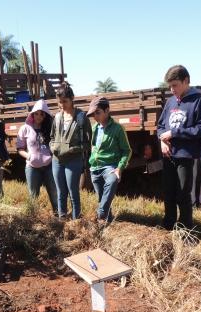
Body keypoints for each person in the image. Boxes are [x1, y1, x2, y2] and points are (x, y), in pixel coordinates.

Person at [157, 65, 201, 230]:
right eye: (170, 86)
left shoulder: (197, 100)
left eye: (175, 85)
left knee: (183, 193)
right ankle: (168, 225)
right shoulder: (171, 101)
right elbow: (161, 126)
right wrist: (162, 141)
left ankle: (186, 228)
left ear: (186, 81)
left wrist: (174, 133)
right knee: (168, 192)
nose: (172, 89)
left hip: (185, 155)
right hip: (168, 154)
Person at [49, 82, 92, 219]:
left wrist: (73, 149)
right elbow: (51, 137)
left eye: (65, 101)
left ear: (72, 98)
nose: (62, 105)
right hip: (57, 160)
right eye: (60, 102)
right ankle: (62, 220)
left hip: (73, 160)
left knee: (73, 192)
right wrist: (52, 147)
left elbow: (88, 142)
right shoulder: (56, 117)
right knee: (61, 192)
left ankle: (76, 221)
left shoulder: (81, 117)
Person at [86, 97, 132, 224]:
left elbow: (127, 151)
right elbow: (93, 147)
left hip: (109, 167)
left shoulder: (118, 128)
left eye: (98, 112)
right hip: (95, 168)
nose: (95, 116)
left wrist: (119, 168)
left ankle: (100, 214)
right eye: (93, 114)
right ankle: (107, 224)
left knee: (112, 181)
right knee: (102, 199)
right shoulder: (94, 128)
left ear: (107, 110)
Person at [16, 99, 58, 214]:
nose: (39, 117)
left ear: (45, 116)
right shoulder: (25, 128)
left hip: (49, 166)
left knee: (54, 192)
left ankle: (59, 216)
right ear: (32, 114)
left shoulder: (50, 128)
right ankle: (32, 217)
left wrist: (51, 154)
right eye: (36, 114)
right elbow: (19, 148)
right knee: (33, 195)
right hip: (32, 167)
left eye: (42, 114)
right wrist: (28, 156)